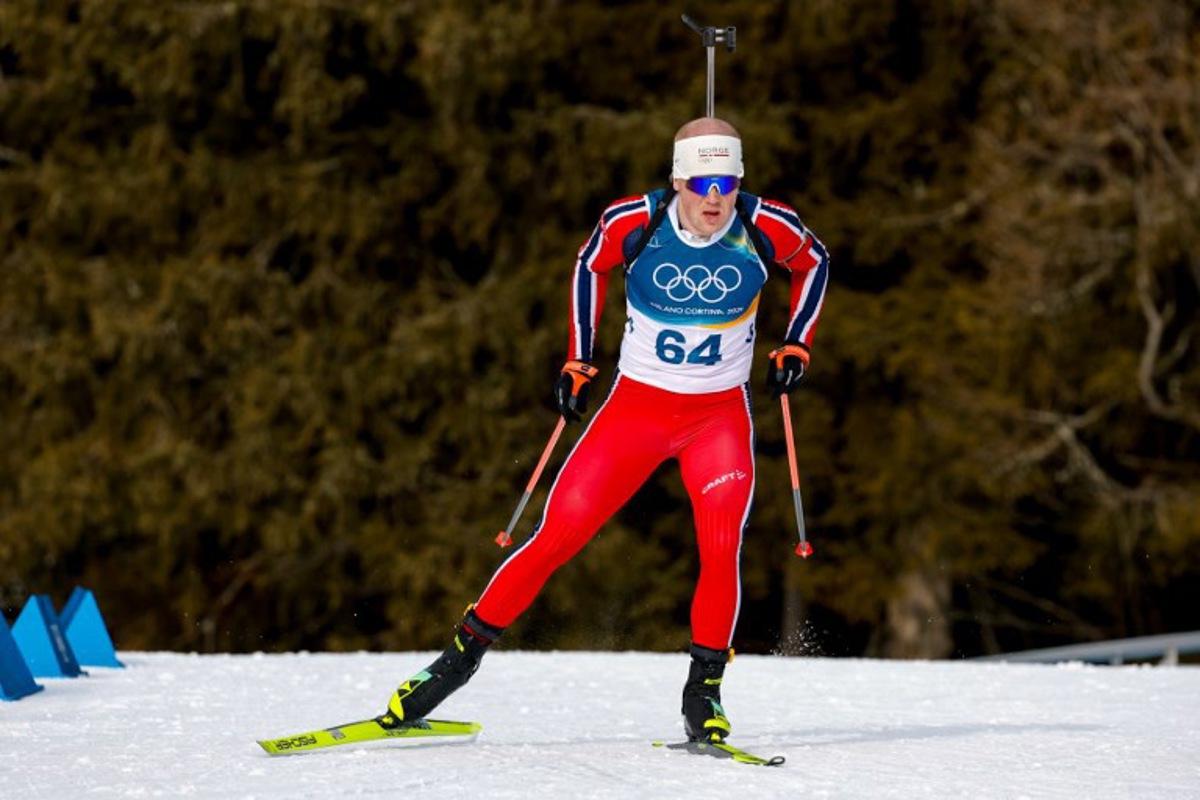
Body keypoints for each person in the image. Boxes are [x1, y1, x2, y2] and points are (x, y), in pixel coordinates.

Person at [378, 117, 829, 743]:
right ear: (677, 178)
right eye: (700, 181)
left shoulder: (765, 225)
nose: (712, 198)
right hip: (635, 413)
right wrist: (580, 356)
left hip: (716, 418)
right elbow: (589, 264)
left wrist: (796, 345)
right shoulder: (635, 220)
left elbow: (815, 261)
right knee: (556, 535)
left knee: (721, 546)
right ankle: (450, 666)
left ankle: (704, 696)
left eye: (725, 181)